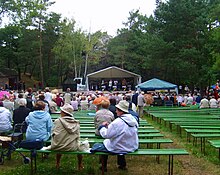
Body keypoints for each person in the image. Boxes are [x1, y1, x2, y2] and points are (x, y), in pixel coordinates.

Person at [91, 100, 139, 172]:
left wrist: (102, 127)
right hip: (132, 145)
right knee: (117, 142)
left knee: (99, 145)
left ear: (121, 111)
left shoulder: (118, 121)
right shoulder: (133, 119)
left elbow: (106, 135)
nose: (116, 111)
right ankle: (122, 165)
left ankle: (103, 166)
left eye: (117, 110)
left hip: (120, 146)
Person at [45, 104, 83, 170]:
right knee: (79, 144)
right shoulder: (76, 123)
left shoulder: (57, 121)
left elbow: (53, 133)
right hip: (72, 147)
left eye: (61, 111)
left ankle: (57, 163)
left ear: (64, 113)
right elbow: (78, 136)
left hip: (58, 146)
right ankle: (80, 165)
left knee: (59, 140)